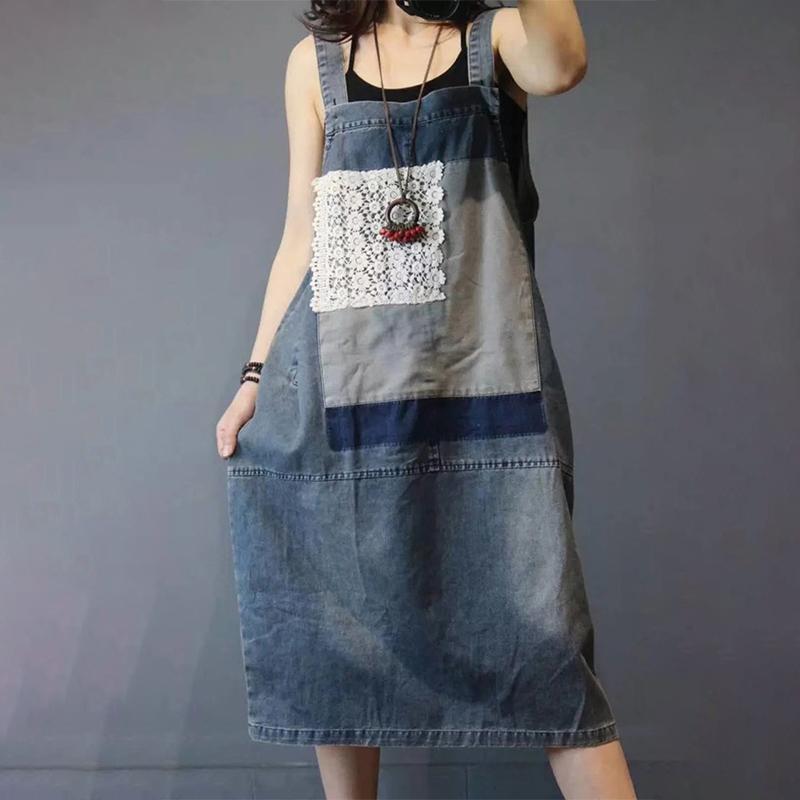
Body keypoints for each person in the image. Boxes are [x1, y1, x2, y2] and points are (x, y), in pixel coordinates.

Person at [216, 2, 637, 798]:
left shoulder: (497, 41)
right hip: (341, 407)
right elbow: (301, 234)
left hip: (488, 403)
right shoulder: (315, 64)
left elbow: (563, 65)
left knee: (547, 649)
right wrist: (254, 378)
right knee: (340, 652)